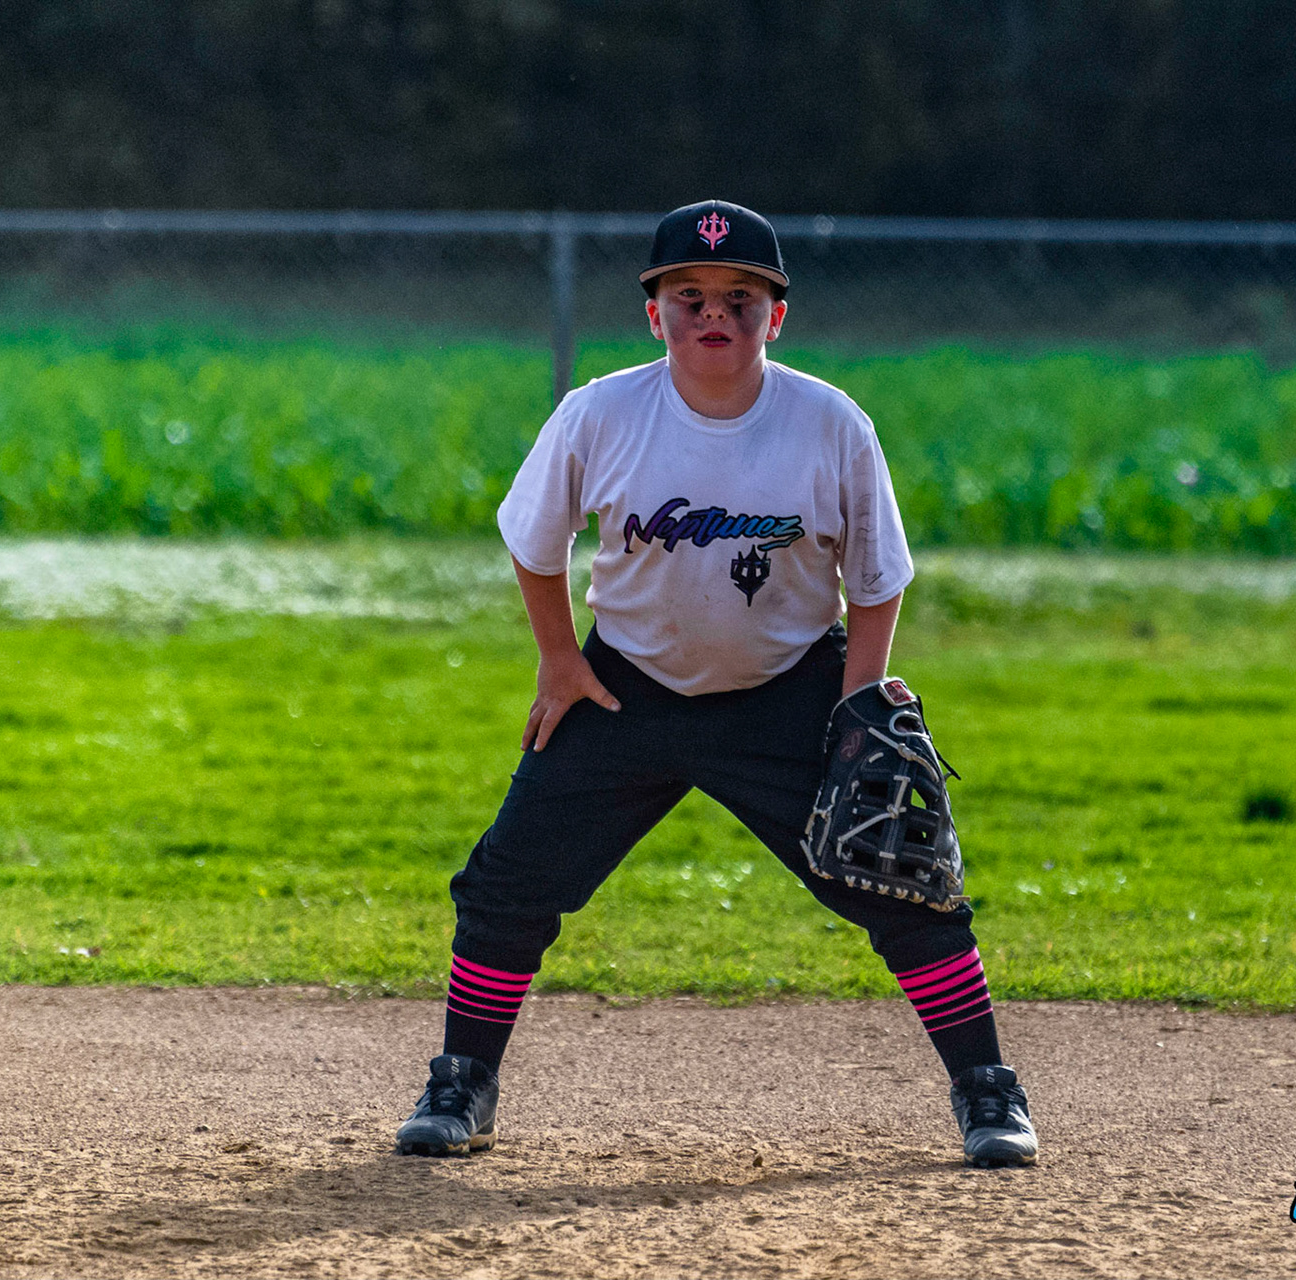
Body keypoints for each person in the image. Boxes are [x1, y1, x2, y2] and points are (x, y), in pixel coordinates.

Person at [394, 200, 1038, 1168]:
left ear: (776, 315)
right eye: (687, 295)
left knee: (904, 882)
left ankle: (987, 1089)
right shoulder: (602, 411)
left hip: (787, 688)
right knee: (508, 882)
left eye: (742, 297)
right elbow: (534, 541)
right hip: (624, 687)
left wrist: (860, 703)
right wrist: (560, 659)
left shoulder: (827, 421)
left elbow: (876, 577)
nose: (714, 314)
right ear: (653, 313)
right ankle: (463, 1082)